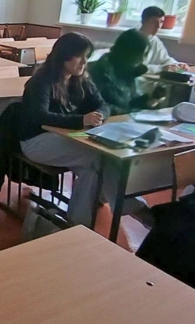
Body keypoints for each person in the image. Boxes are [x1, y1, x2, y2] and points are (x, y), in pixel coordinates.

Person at [19, 32, 150, 227]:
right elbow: (41, 117)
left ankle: (77, 223)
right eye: (80, 56)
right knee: (98, 156)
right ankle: (133, 207)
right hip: (36, 140)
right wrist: (81, 120)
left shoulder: (80, 79)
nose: (84, 62)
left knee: (92, 171)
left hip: (66, 138)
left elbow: (103, 105)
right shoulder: (41, 80)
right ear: (64, 55)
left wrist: (99, 115)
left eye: (87, 57)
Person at [89, 29, 167, 115]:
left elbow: (130, 102)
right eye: (140, 54)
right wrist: (128, 112)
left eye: (145, 54)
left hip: (124, 118)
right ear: (128, 52)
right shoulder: (102, 71)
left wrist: (150, 100)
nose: (142, 59)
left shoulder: (126, 69)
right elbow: (100, 106)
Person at [136, 6, 189, 73]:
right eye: (154, 22)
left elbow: (164, 59)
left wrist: (177, 65)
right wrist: (161, 68)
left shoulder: (154, 40)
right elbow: (135, 68)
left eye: (161, 22)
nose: (158, 26)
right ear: (144, 21)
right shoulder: (132, 40)